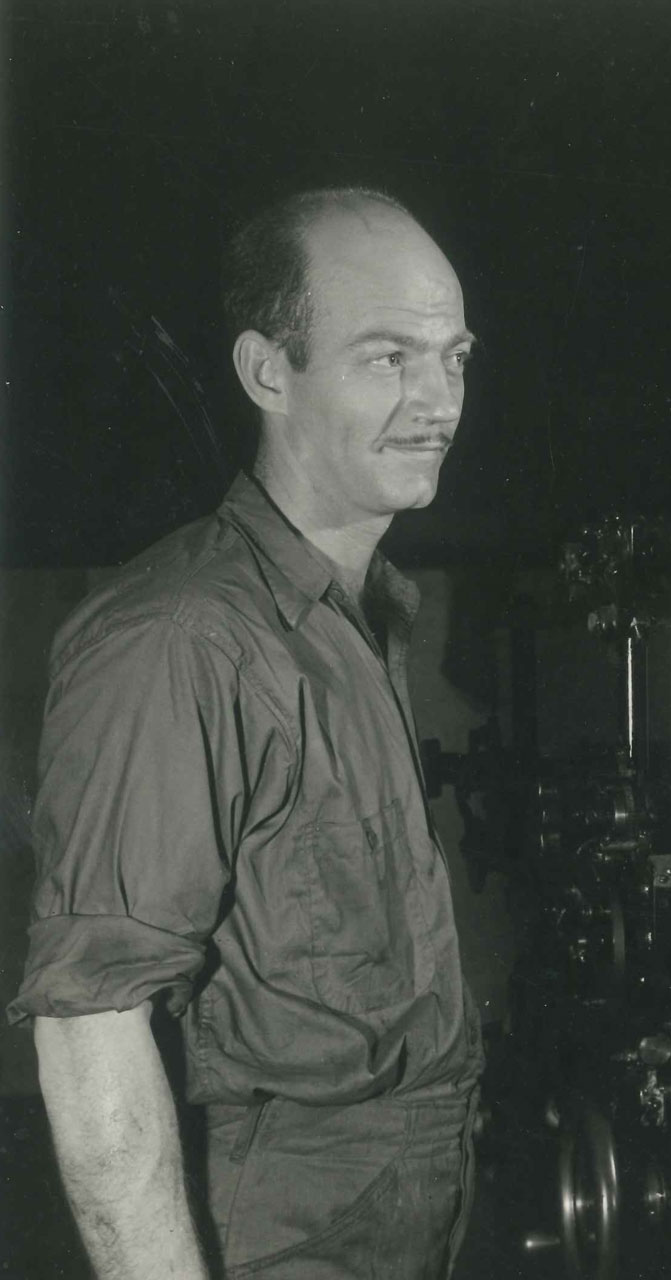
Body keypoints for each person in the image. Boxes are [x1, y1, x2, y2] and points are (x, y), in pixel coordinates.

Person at [7, 188, 483, 1278]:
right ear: (269, 372)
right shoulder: (180, 640)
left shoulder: (357, 619)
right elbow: (90, 1032)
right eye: (386, 357)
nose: (437, 400)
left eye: (453, 356)